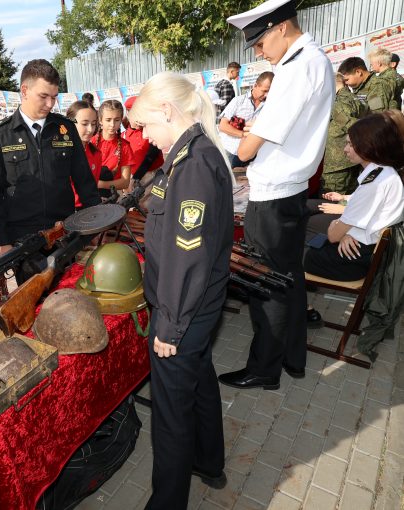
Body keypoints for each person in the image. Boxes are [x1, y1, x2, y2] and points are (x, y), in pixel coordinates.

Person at [127, 71, 234, 510]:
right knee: (200, 381)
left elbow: (187, 257)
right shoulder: (188, 155)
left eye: (146, 126)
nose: (146, 137)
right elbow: (158, 206)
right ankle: (209, 461)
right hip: (196, 307)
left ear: (167, 111)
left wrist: (168, 327)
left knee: (171, 415)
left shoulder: (193, 165)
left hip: (182, 311)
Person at [218, 0, 335, 390]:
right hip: (289, 189)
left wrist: (233, 146)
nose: (256, 51)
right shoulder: (311, 59)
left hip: (273, 194)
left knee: (265, 284)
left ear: (281, 26)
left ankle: (264, 369)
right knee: (288, 279)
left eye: (259, 39)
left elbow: (251, 146)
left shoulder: (298, 66)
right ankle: (291, 358)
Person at [0, 58, 100, 279]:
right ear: (24, 91)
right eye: (43, 96)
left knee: (67, 301)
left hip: (63, 235)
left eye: (54, 97)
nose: (50, 104)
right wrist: (3, 241)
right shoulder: (0, 135)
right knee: (30, 309)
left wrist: (94, 224)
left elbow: (84, 180)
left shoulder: (65, 129)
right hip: (24, 242)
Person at [305, 112, 404, 281]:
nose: (345, 150)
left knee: (290, 252)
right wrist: (344, 233)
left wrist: (337, 228)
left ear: (368, 145)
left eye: (351, 144)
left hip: (353, 259)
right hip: (361, 249)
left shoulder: (374, 182)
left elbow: (333, 235)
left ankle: (298, 303)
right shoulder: (383, 172)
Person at [321, 72, 370, 194]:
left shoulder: (338, 102)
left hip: (338, 162)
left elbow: (350, 124)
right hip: (352, 157)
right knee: (350, 198)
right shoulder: (357, 98)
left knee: (332, 198)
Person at [218, 71, 274, 168]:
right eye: (264, 91)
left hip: (252, 154)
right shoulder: (238, 101)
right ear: (255, 85)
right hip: (230, 151)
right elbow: (222, 126)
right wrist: (244, 135)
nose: (266, 95)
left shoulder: (269, 107)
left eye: (270, 92)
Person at [91, 99, 134, 197]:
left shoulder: (125, 146)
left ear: (121, 119)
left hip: (113, 196)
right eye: (108, 120)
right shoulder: (90, 142)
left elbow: (125, 182)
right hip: (90, 195)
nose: (112, 124)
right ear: (100, 120)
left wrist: (100, 184)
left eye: (117, 120)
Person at [65, 100, 102, 207]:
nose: (90, 129)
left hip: (88, 210)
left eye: (94, 124)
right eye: (84, 124)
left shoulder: (96, 154)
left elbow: (92, 186)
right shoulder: (60, 154)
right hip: (65, 211)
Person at [121, 96, 164, 185]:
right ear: (128, 114)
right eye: (136, 116)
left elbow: (151, 156)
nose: (139, 120)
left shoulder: (151, 131)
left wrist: (136, 178)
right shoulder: (123, 137)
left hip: (155, 177)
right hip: (133, 180)